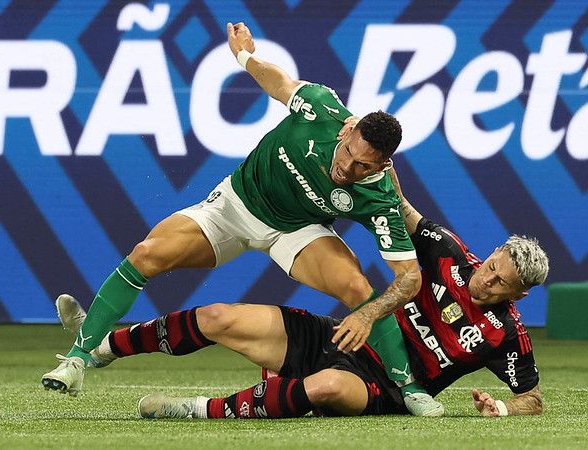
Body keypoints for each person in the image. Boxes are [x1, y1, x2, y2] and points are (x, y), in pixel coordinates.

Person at [42, 22, 439, 415]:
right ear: (347, 131)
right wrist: (245, 55)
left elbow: (409, 277)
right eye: (348, 153)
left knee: (356, 286)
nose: (346, 168)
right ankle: (78, 359)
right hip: (234, 206)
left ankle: (409, 387)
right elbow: (279, 83)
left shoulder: (379, 196)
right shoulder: (320, 107)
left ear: (382, 165)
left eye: (362, 166)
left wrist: (368, 313)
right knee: (147, 254)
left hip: (296, 231)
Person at [54, 174, 548, 418]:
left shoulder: (507, 335)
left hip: (386, 388)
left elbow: (533, 398)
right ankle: (101, 347)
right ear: (492, 253)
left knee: (327, 387)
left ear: (520, 294)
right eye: (492, 266)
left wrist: (504, 408)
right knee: (220, 316)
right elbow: (399, 204)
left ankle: (199, 408)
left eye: (500, 283)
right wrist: (383, 160)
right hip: (343, 336)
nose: (487, 280)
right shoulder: (449, 253)